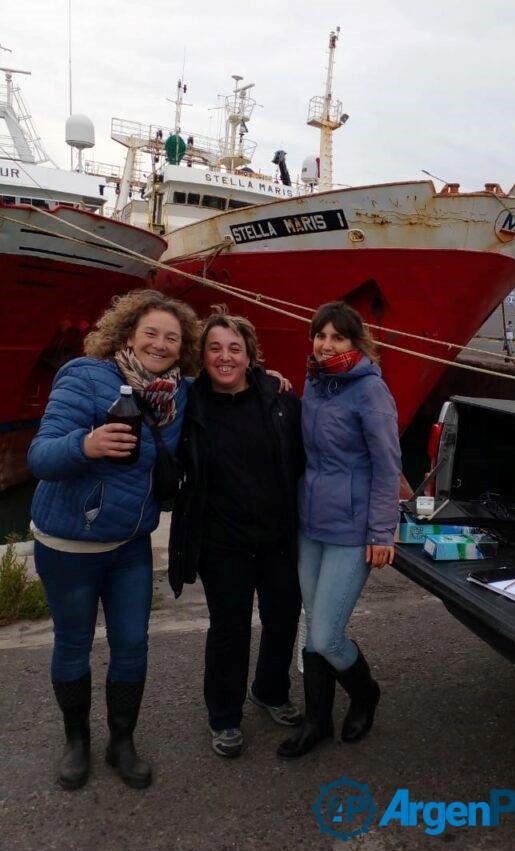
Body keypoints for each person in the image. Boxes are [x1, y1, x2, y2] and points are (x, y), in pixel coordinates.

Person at [28, 290, 199, 790]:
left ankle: (121, 741)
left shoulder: (177, 391)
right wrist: (87, 445)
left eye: (172, 337)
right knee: (73, 643)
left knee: (131, 644)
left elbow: (229, 376)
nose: (161, 344)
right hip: (69, 545)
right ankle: (76, 740)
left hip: (129, 545)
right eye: (151, 333)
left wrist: (268, 377)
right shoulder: (85, 376)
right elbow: (40, 456)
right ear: (126, 334)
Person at [169, 308, 304, 759]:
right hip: (221, 543)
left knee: (283, 618)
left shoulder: (278, 397)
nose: (225, 358)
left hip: (277, 539)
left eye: (234, 349)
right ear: (201, 356)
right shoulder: (189, 402)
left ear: (250, 355)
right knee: (229, 629)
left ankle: (269, 689)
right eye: (215, 348)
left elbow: (304, 460)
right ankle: (224, 715)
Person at [278, 301, 401, 760]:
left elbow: (388, 467)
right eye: (320, 335)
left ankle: (365, 693)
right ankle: (317, 722)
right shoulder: (315, 382)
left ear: (355, 342)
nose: (326, 344)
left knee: (328, 635)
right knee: (313, 629)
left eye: (337, 337)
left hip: (352, 530)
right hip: (311, 523)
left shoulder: (370, 392)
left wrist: (382, 533)